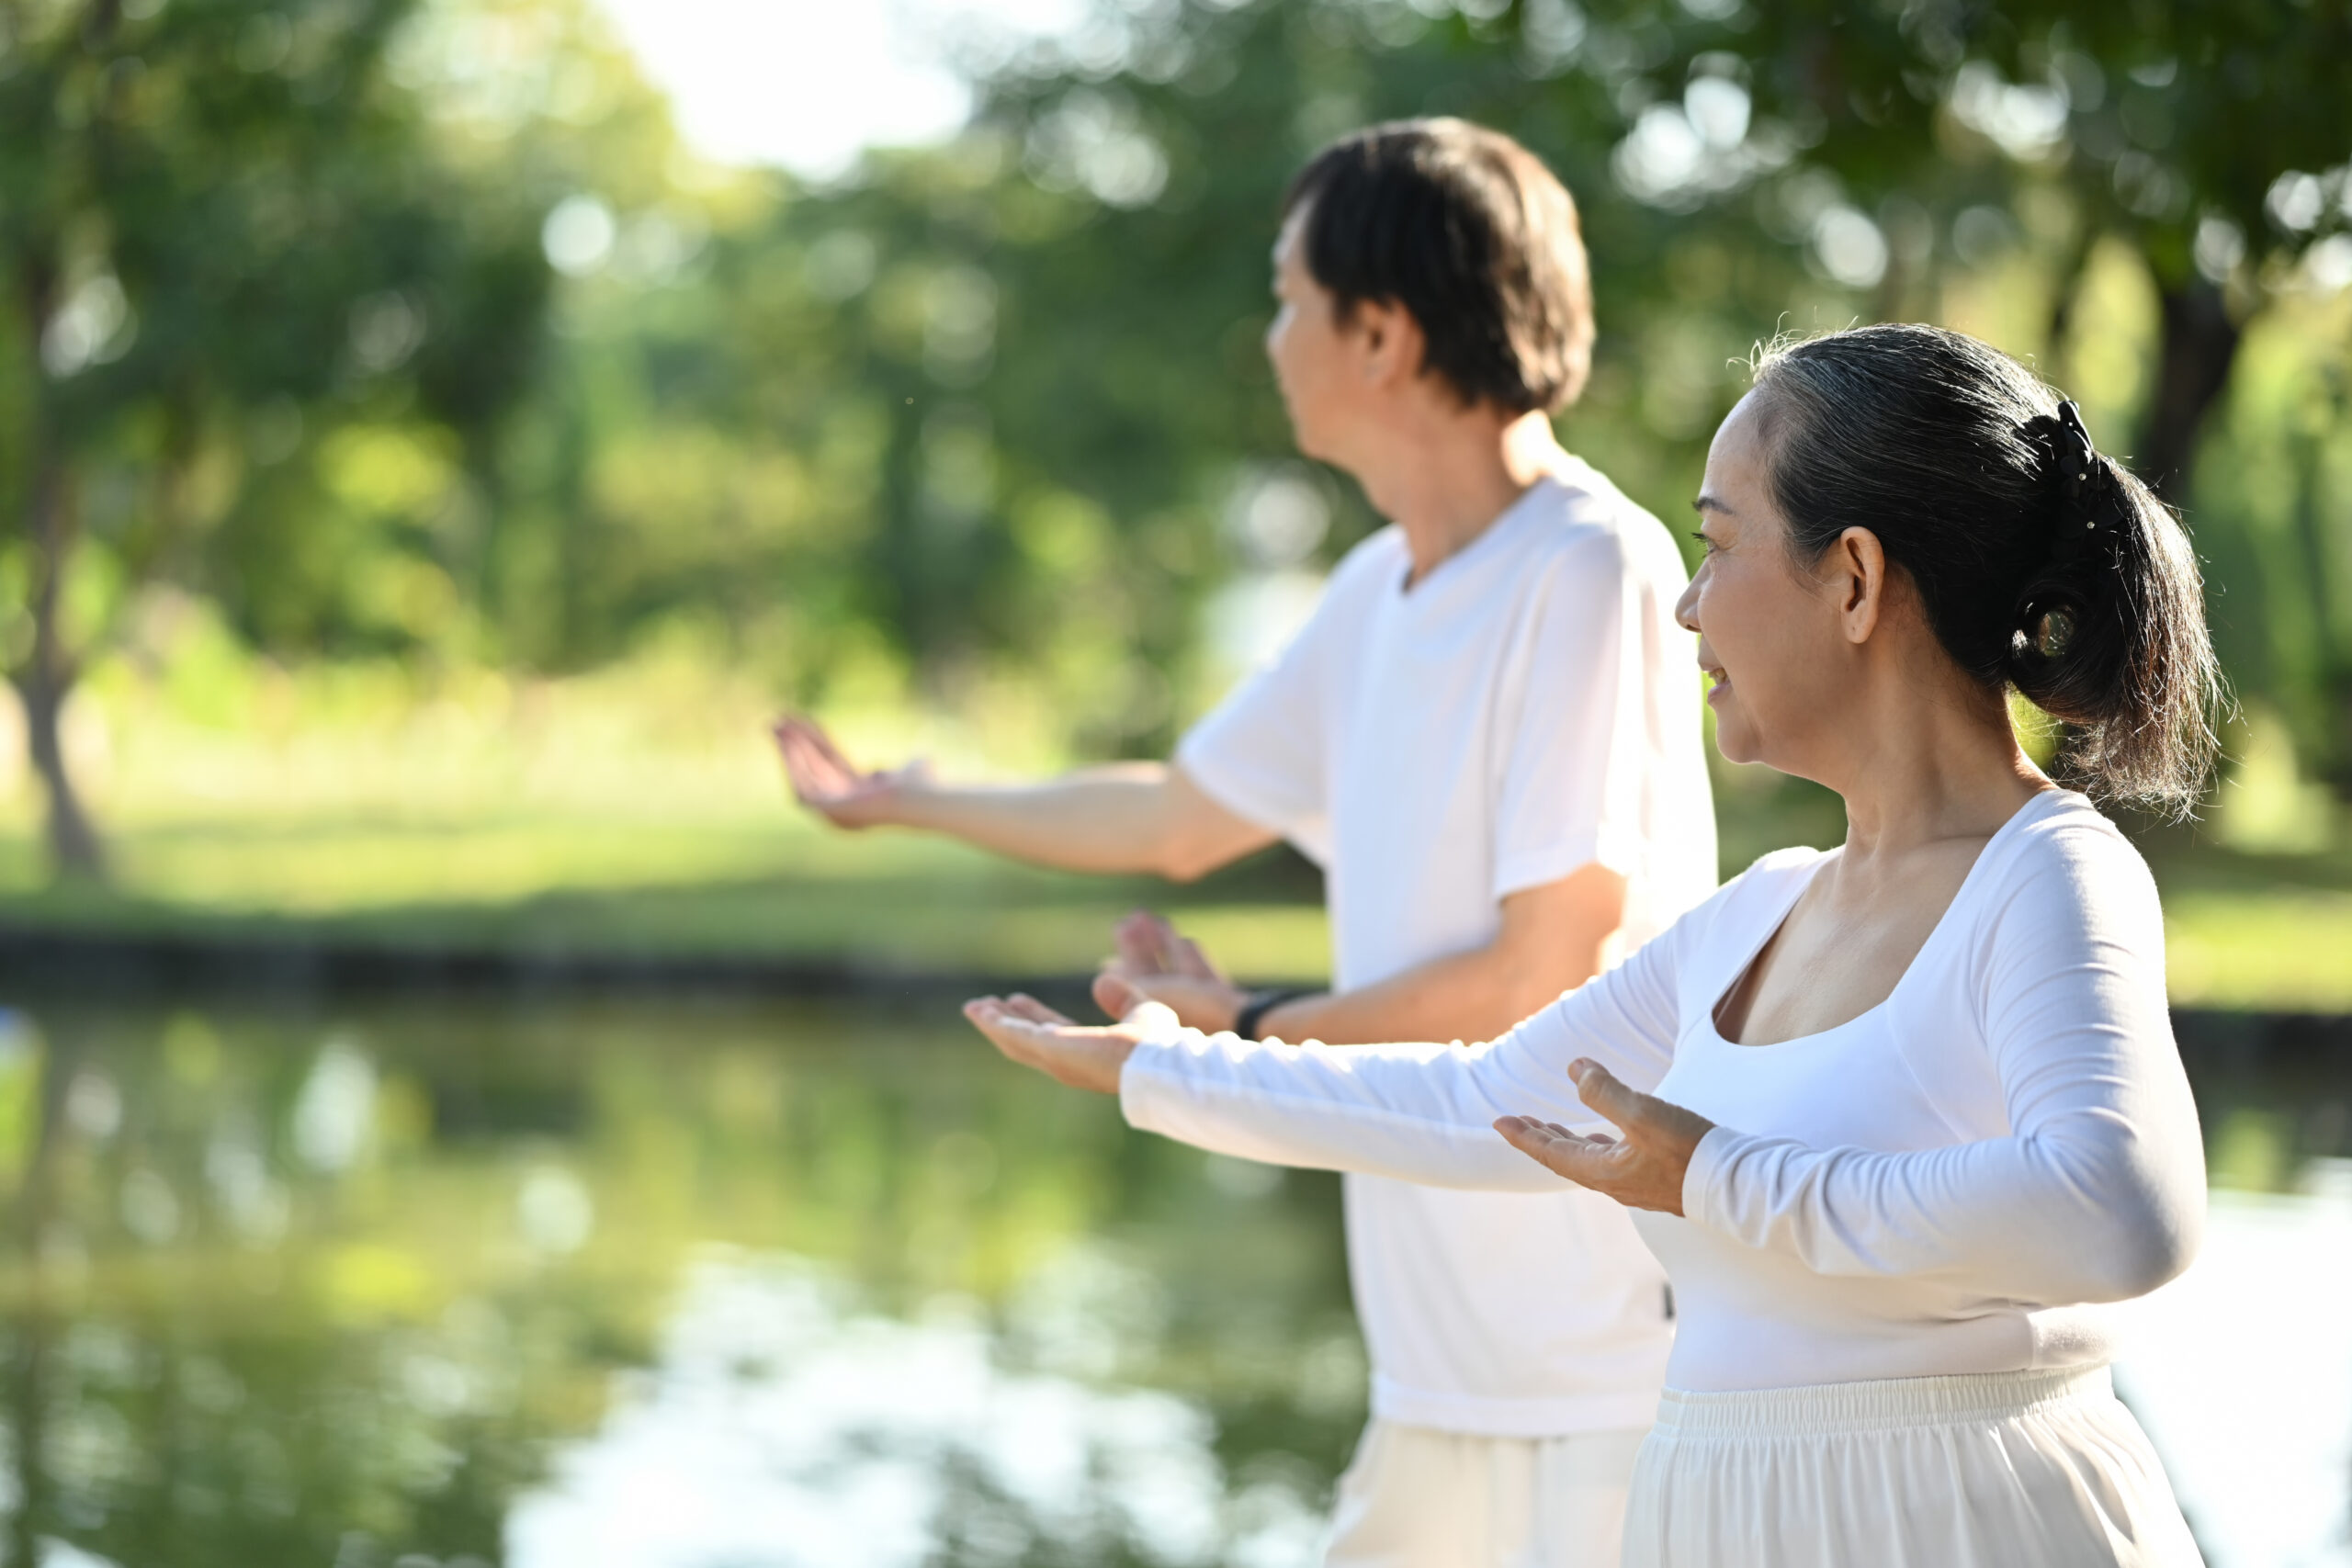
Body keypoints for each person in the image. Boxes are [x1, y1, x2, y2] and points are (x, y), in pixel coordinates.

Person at [965, 322, 2219, 1567]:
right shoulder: (1755, 915)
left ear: (1852, 578)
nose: (1686, 605)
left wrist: (1722, 1178)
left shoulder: (2045, 878)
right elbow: (1473, 1102)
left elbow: (2120, 1215)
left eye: (1718, 546)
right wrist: (1159, 1067)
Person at [778, 119, 1716, 1566]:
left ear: (1383, 333)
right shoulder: (1375, 592)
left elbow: (1547, 967)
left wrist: (1246, 1030)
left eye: (1289, 297)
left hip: (1601, 1368)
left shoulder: (1590, 566)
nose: (1271, 334)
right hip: (1435, 1366)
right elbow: (1175, 814)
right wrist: (914, 798)